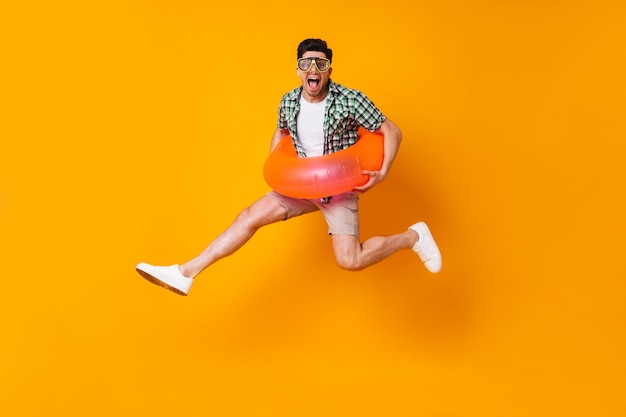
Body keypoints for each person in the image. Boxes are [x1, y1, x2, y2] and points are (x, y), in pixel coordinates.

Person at [136, 38, 442, 296]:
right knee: (248, 216)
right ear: (298, 69)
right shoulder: (289, 102)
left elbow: (391, 130)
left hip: (339, 188)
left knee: (350, 260)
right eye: (307, 63)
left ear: (329, 70)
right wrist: (276, 164)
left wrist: (384, 170)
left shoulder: (349, 100)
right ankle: (185, 273)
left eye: (320, 64)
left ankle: (414, 237)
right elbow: (281, 132)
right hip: (301, 187)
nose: (313, 69)